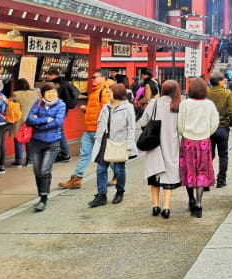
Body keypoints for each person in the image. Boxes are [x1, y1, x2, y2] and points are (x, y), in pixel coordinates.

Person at [59, 70, 111, 190]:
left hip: (98, 129)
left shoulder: (104, 92)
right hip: (89, 129)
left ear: (103, 78)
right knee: (85, 154)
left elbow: (105, 110)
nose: (92, 80)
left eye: (95, 77)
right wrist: (87, 109)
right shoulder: (95, 92)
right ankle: (77, 178)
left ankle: (118, 175)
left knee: (106, 155)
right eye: (92, 78)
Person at [88, 83, 137, 207]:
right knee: (100, 169)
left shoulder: (128, 108)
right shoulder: (106, 107)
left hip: (120, 142)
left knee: (119, 169)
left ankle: (120, 191)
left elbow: (131, 128)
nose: (108, 94)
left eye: (110, 92)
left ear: (117, 93)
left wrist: (130, 145)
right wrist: (97, 138)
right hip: (104, 141)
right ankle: (101, 194)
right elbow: (100, 124)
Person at [140, 80, 182, 219]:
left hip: (154, 144)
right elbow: (181, 127)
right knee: (169, 176)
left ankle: (155, 205)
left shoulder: (153, 104)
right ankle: (166, 207)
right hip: (171, 144)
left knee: (154, 174)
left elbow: (143, 122)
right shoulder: (178, 105)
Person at [178, 78, 219, 218]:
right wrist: (207, 132)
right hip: (203, 141)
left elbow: (180, 124)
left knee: (189, 170)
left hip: (188, 140)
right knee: (202, 171)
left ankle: (190, 199)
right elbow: (215, 123)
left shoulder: (185, 104)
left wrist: (184, 133)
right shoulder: (209, 105)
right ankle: (199, 203)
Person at [25, 83, 67, 212]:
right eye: (48, 92)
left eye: (53, 92)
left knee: (44, 170)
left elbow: (58, 122)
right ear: (43, 93)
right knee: (37, 171)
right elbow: (30, 119)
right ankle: (41, 194)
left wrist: (39, 124)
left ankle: (44, 198)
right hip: (36, 142)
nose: (51, 94)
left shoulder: (61, 104)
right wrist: (46, 120)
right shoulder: (38, 104)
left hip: (52, 142)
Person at [208, 73, 232, 188]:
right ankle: (221, 179)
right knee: (223, 154)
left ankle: (207, 178)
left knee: (208, 154)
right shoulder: (226, 94)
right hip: (222, 127)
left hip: (209, 128)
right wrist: (230, 123)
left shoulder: (206, 93)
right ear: (220, 82)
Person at [45, 68, 75, 162]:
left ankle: (64, 154)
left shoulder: (55, 84)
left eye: (47, 75)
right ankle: (62, 153)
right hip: (63, 110)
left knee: (58, 131)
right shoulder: (65, 82)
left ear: (52, 75)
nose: (46, 77)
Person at [10, 78, 40, 167]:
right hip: (31, 119)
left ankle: (18, 161)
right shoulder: (35, 94)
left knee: (18, 139)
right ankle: (29, 160)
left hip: (19, 119)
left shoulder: (15, 94)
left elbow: (10, 106)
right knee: (29, 139)